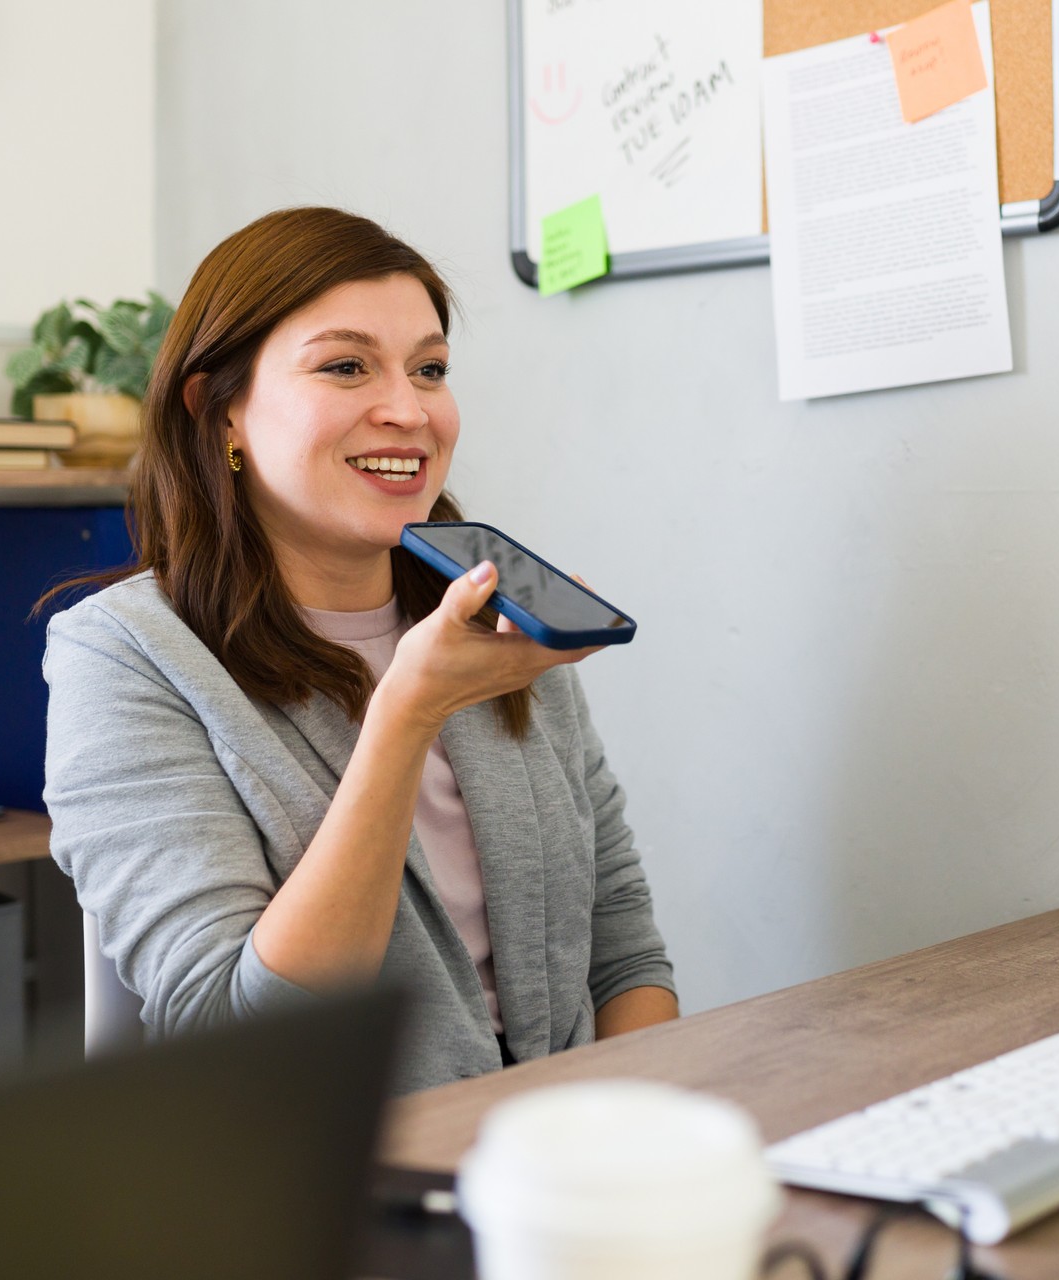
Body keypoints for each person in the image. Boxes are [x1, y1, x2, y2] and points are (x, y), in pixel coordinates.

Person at [43, 207, 677, 1093]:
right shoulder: (124, 656)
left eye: (430, 369)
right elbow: (238, 1044)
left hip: (552, 1166)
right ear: (217, 410)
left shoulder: (494, 609)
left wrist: (630, 1137)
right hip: (322, 1192)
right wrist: (407, 712)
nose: (409, 411)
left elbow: (622, 953)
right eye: (346, 367)